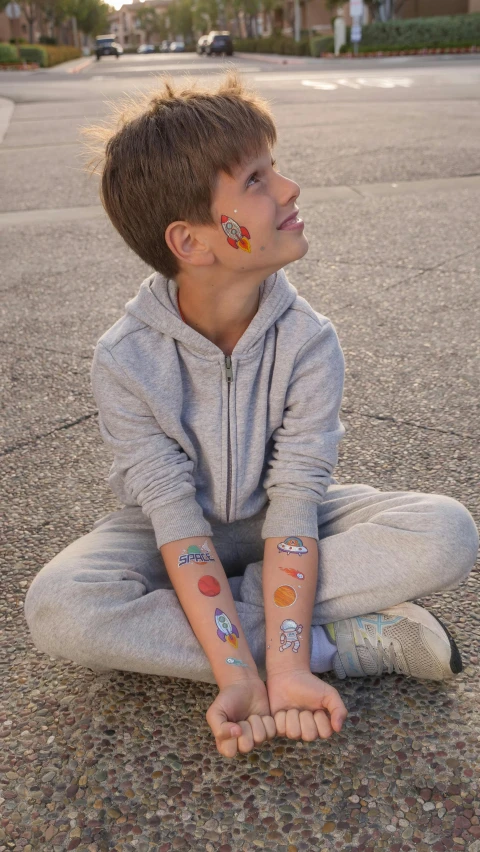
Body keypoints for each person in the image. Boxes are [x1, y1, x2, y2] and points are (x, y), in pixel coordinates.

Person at [24, 73, 478, 759]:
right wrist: (247, 669)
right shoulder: (125, 358)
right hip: (170, 532)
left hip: (286, 523)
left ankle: (262, 637)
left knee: (445, 530)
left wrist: (285, 667)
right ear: (193, 241)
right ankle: (339, 639)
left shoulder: (308, 340)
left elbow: (297, 500)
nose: (290, 188)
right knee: (58, 608)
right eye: (258, 181)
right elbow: (173, 516)